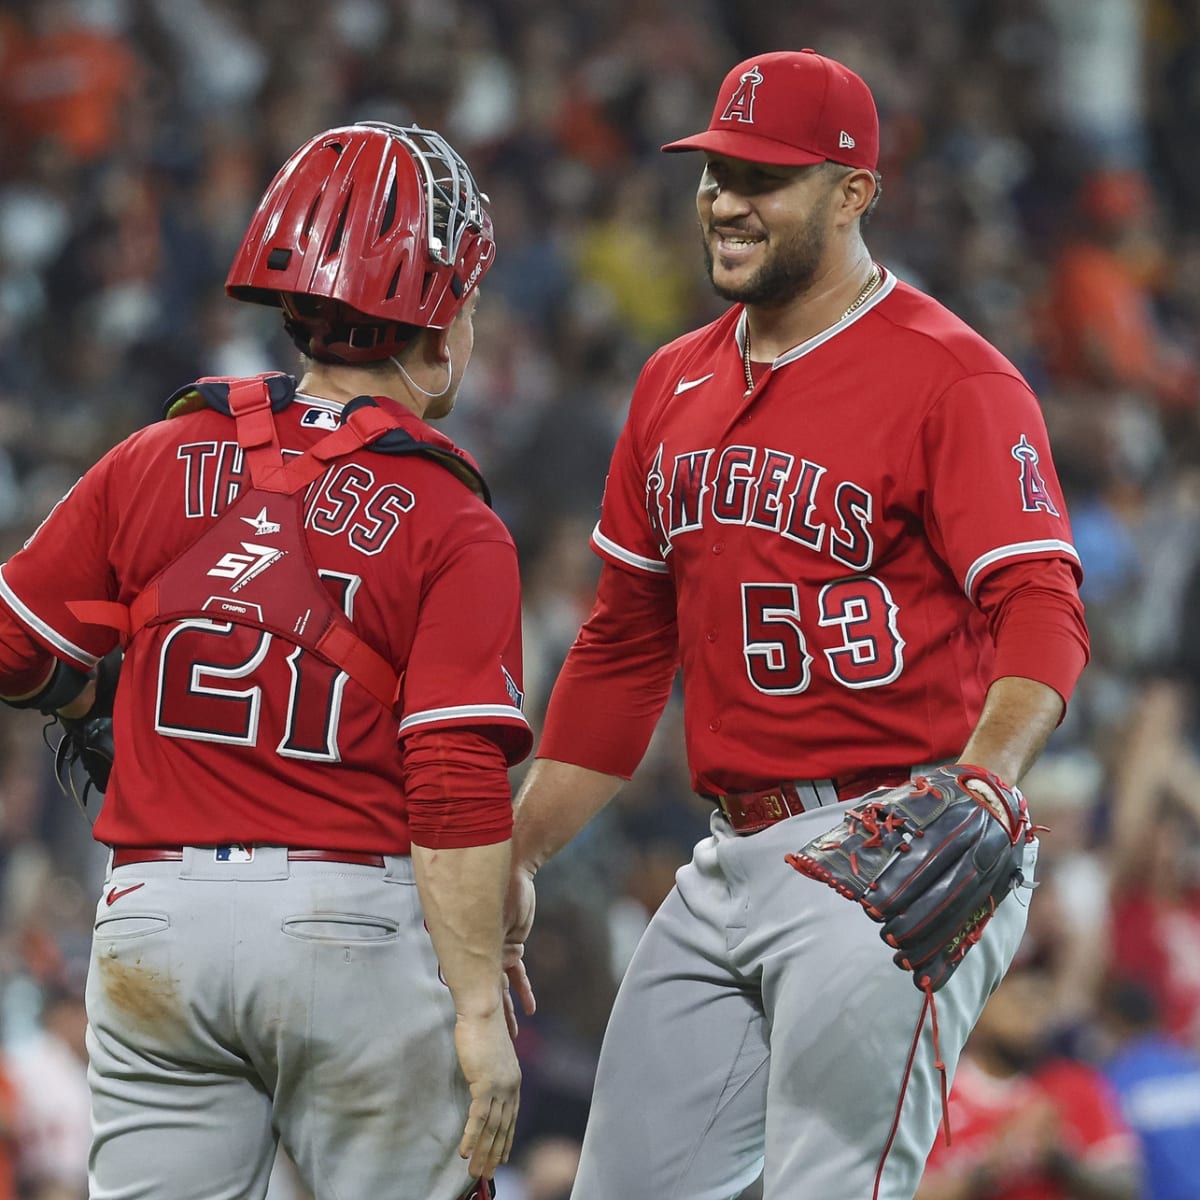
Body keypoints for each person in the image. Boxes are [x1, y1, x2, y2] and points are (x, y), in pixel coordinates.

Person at [502, 49, 1089, 1199]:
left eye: (763, 176)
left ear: (853, 191)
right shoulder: (671, 382)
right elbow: (624, 645)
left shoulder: (951, 376)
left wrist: (986, 783)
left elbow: (1041, 607)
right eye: (716, 170)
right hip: (732, 852)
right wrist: (517, 851)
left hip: (898, 837)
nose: (725, 200)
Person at [0, 121, 531, 1200]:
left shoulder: (157, 455)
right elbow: (454, 780)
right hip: (349, 924)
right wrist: (480, 1010)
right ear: (438, 332)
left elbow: (14, 644)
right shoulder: (452, 520)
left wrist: (91, 696)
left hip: (156, 921)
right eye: (468, 306)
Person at [917, 965, 1140, 1200]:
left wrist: (1060, 1162)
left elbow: (1126, 1187)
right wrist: (986, 1172)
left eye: (1041, 1001)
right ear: (978, 1007)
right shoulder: (934, 1093)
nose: (1033, 1015)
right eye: (1020, 1000)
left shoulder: (1075, 1084)